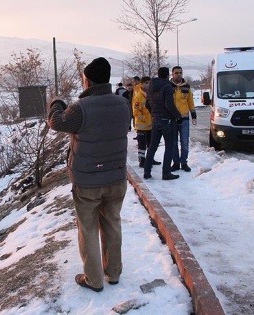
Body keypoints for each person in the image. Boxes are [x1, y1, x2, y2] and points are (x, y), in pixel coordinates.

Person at [47, 57, 130, 292]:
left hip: (88, 182)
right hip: (116, 177)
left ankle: (93, 280)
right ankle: (113, 273)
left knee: (88, 229)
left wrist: (56, 103)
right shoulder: (122, 103)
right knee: (112, 223)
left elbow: (56, 122)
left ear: (88, 80)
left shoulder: (81, 108)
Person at [143, 67, 182, 180]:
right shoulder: (167, 86)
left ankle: (147, 172)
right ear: (167, 75)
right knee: (169, 147)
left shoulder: (150, 87)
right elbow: (169, 104)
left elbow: (147, 105)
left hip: (155, 120)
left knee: (152, 147)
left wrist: (154, 114)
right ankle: (166, 173)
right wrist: (177, 116)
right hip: (167, 121)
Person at [170, 66, 197, 172]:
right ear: (172, 74)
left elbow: (190, 102)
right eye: (176, 73)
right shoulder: (168, 86)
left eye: (180, 72)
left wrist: (193, 115)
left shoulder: (186, 87)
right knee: (173, 143)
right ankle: (176, 163)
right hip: (172, 119)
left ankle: (184, 162)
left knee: (184, 142)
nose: (178, 74)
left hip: (184, 119)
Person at [132, 76, 161, 168]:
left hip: (151, 125)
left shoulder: (151, 95)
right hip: (142, 126)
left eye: (149, 83)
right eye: (146, 83)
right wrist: (144, 118)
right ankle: (142, 161)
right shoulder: (138, 97)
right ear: (141, 84)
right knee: (142, 145)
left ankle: (150, 159)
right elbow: (136, 111)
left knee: (150, 144)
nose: (148, 85)